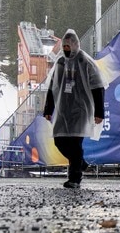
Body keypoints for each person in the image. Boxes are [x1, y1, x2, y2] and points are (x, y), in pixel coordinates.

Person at [43, 29, 105, 189]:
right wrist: (48, 108)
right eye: (64, 47)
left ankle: (74, 178)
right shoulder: (61, 62)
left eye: (69, 47)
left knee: (75, 143)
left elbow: (98, 86)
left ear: (76, 45)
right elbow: (53, 86)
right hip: (64, 109)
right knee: (60, 140)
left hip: (81, 109)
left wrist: (99, 111)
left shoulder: (85, 61)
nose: (66, 50)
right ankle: (80, 163)